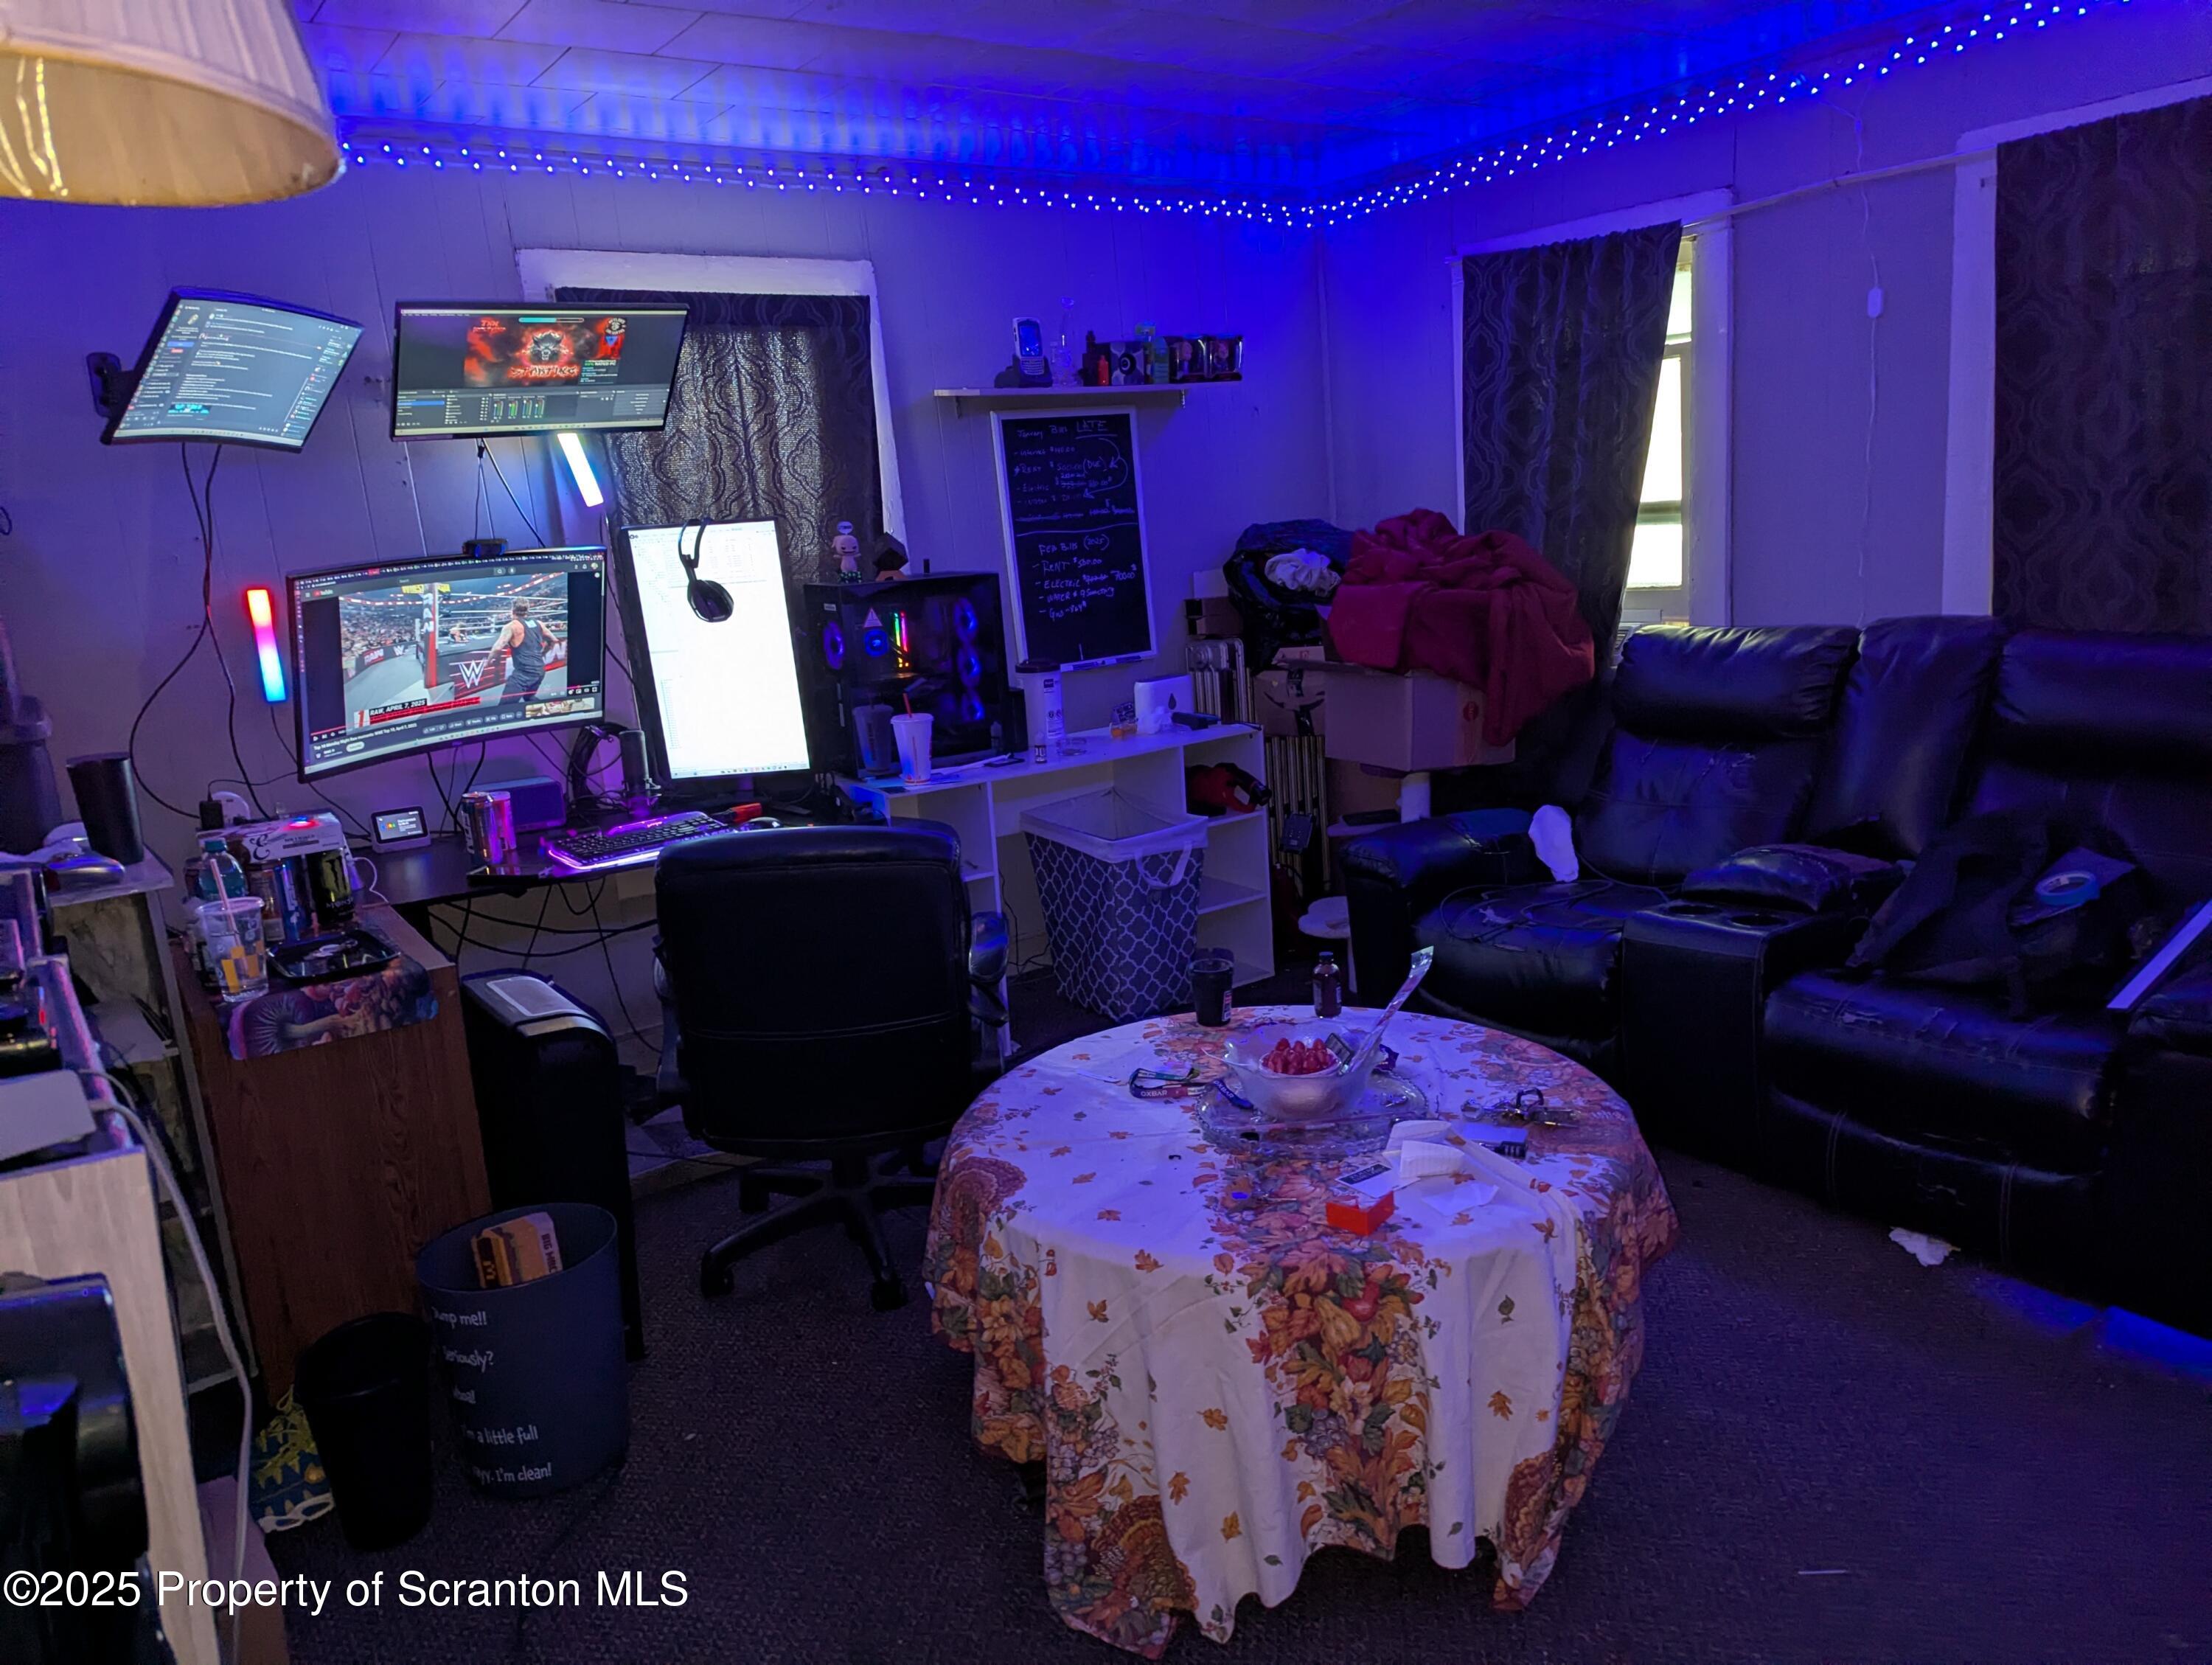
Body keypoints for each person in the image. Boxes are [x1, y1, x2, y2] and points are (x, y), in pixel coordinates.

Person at [491, 598, 560, 705]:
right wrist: (543, 653)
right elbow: (554, 640)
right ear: (527, 609)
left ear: (512, 610)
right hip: (540, 671)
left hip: (524, 674)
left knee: (504, 708)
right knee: (529, 697)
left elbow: (498, 648)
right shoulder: (539, 623)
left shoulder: (511, 626)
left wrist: (489, 661)